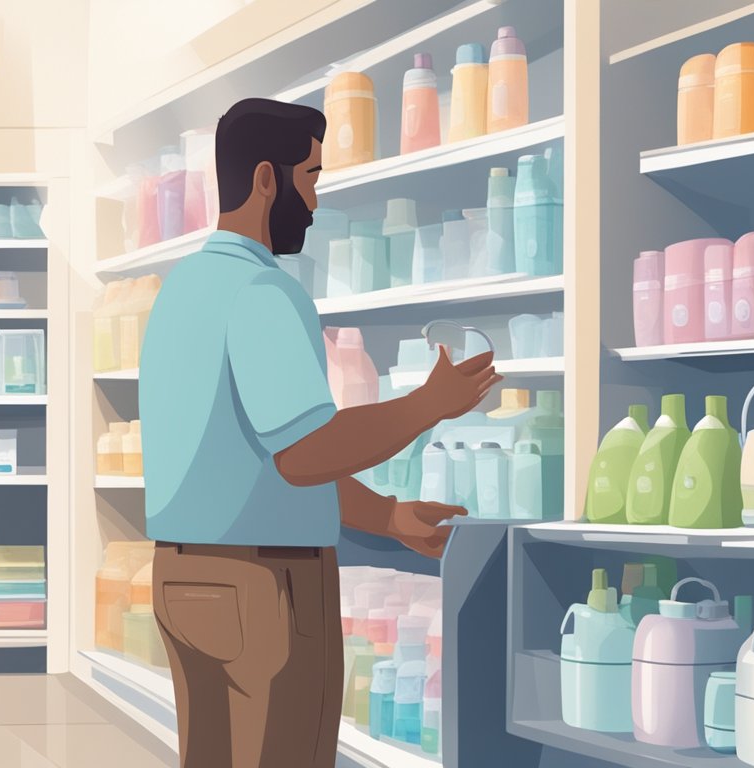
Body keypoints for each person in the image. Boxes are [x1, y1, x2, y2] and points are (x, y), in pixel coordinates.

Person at [138, 97, 500, 768]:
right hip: (263, 589)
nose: (313, 198)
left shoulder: (180, 292)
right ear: (267, 179)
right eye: (309, 176)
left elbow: (254, 460)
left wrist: (388, 514)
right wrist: (429, 404)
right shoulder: (263, 293)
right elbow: (303, 456)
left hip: (182, 580)